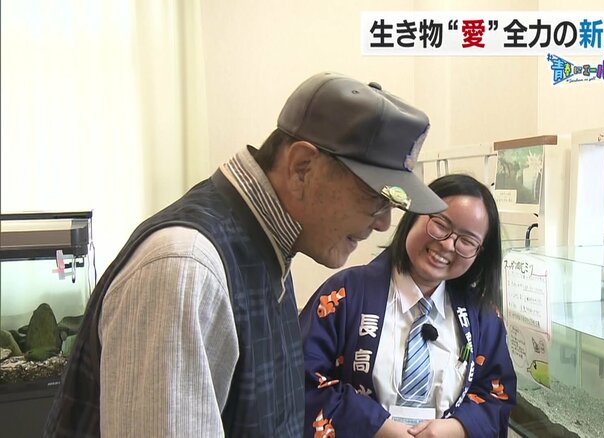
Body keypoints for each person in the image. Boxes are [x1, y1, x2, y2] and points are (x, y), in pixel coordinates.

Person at [44, 72, 447, 437]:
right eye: (375, 199)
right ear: (302, 167)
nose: (382, 224)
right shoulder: (187, 268)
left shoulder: (270, 245)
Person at [299, 174, 517, 438]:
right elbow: (301, 382)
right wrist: (376, 427)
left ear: (479, 253)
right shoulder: (343, 294)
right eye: (440, 225)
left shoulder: (485, 317)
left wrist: (458, 428)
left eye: (467, 241)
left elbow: (496, 397)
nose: (448, 244)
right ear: (414, 215)